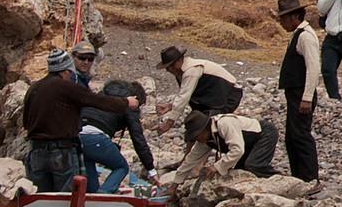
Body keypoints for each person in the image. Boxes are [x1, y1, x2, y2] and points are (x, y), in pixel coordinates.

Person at [22, 48, 139, 193]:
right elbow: (96, 100)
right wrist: (125, 102)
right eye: (70, 72)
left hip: (36, 153)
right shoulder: (66, 87)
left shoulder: (33, 88)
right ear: (64, 71)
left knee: (40, 196)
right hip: (61, 151)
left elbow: (26, 122)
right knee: (64, 198)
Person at [273, 0, 321, 181]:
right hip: (295, 93)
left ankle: (310, 178)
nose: (282, 23)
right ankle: (299, 177)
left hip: (301, 93)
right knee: (292, 137)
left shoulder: (306, 37)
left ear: (294, 17)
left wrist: (307, 97)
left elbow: (313, 67)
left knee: (300, 136)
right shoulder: (298, 34)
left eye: (284, 19)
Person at [172, 110, 279, 180]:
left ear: (204, 130)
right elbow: (192, 159)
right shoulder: (206, 139)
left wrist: (216, 167)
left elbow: (237, 150)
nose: (197, 140)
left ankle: (281, 181)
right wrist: (176, 182)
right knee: (241, 171)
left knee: (254, 165)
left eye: (197, 136)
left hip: (263, 134)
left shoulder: (224, 124)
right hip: (246, 144)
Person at [154, 45, 245, 116]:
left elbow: (184, 96)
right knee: (198, 119)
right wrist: (171, 106)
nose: (169, 69)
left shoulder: (191, 70)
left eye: (171, 65)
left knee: (210, 121)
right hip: (212, 97)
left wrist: (170, 121)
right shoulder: (180, 72)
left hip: (228, 95)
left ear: (180, 60)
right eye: (167, 67)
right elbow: (186, 93)